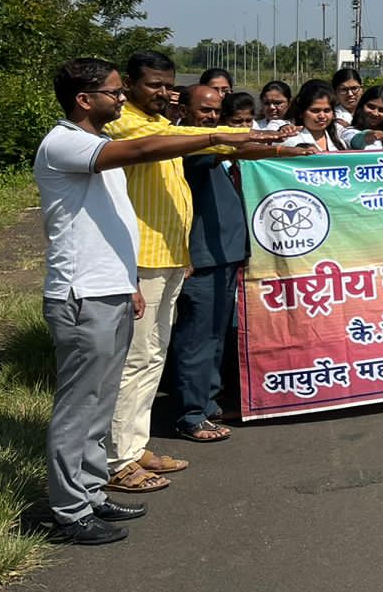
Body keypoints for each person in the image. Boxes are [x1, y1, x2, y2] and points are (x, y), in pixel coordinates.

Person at [35, 59, 283, 543]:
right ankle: (68, 512)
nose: (119, 99)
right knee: (79, 406)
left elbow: (111, 224)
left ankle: (91, 491)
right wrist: (217, 136)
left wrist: (127, 279)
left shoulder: (99, 143)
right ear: (83, 100)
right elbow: (146, 147)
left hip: (111, 287)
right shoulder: (66, 142)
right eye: (112, 92)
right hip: (82, 294)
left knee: (102, 399)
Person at [101, 52, 289, 494]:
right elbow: (202, 143)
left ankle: (134, 447)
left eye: (168, 85)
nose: (163, 93)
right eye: (154, 84)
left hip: (171, 255)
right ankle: (116, 458)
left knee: (152, 357)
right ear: (129, 85)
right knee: (136, 359)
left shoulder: (163, 125)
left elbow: (214, 145)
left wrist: (274, 145)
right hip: (142, 258)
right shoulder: (129, 125)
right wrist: (240, 134)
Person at [172, 86, 310, 443]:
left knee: (216, 337)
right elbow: (232, 148)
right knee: (198, 337)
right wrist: (279, 147)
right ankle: (190, 414)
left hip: (226, 254)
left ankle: (208, 402)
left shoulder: (208, 144)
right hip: (202, 257)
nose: (211, 117)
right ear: (183, 111)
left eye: (216, 111)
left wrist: (281, 147)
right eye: (204, 110)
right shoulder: (186, 145)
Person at [282, 84, 346, 151]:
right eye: (315, 111)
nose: (322, 116)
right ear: (301, 113)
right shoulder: (289, 140)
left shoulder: (340, 141)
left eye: (327, 110)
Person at [341, 85, 383, 149]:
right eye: (371, 107)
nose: (375, 113)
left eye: (382, 110)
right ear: (361, 105)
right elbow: (356, 141)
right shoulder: (349, 132)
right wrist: (372, 135)